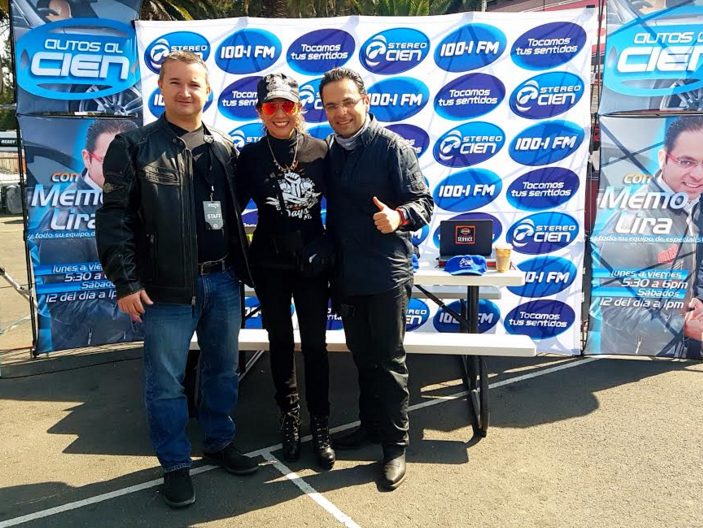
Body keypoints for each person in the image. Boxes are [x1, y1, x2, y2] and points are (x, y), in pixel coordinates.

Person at [96, 50, 258, 509]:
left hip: (223, 281)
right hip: (164, 289)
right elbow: (114, 218)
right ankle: (174, 465)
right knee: (166, 381)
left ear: (208, 91)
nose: (186, 92)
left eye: (194, 84)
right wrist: (125, 282)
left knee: (222, 370)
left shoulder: (224, 147)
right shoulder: (134, 146)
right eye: (176, 83)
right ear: (161, 88)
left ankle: (219, 441)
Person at [319, 67, 433, 490]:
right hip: (347, 275)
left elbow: (424, 202)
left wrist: (399, 216)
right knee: (362, 358)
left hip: (387, 274)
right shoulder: (328, 150)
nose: (341, 112)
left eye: (348, 102)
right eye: (331, 105)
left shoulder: (392, 147)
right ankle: (370, 426)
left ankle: (395, 445)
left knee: (389, 362)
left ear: (365, 101)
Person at [237, 73, 335, 469]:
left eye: (287, 105)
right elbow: (227, 210)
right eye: (271, 105)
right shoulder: (249, 156)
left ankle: (321, 423)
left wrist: (327, 245)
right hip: (270, 264)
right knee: (279, 342)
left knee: (315, 345)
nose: (280, 113)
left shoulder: (321, 150)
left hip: (312, 263)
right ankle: (290, 417)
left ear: (299, 108)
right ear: (259, 111)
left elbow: (344, 208)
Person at [594, 115, 703, 358]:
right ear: (663, 159)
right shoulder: (630, 222)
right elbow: (615, 308)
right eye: (687, 161)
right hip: (634, 360)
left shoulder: (695, 203)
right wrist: (682, 326)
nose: (698, 175)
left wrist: (697, 300)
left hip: (677, 350)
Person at [36, 119, 142, 351]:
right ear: (87, 158)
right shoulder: (62, 221)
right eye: (109, 160)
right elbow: (62, 302)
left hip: (140, 337)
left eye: (130, 160)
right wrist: (131, 316)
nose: (121, 170)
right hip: (96, 351)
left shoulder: (138, 200)